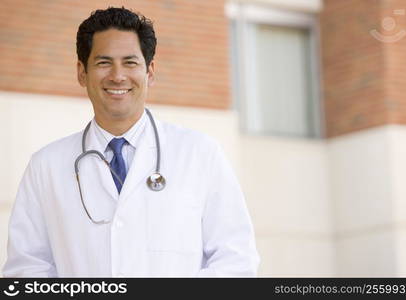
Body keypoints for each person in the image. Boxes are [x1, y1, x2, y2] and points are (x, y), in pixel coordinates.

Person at [2, 7, 259, 277]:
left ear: (149, 72)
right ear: (82, 73)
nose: (117, 75)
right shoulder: (46, 166)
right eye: (103, 62)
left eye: (130, 62)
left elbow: (236, 262)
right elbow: (27, 270)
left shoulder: (200, 154)